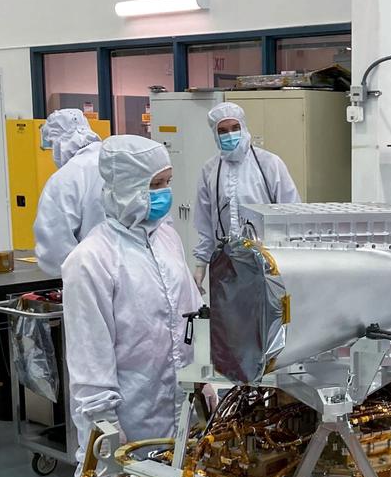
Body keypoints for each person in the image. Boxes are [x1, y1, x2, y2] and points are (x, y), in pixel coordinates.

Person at [64, 135, 201, 449]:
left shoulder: (167, 239)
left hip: (182, 410)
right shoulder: (91, 260)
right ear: (127, 187)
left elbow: (193, 317)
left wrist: (205, 377)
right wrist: (107, 429)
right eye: (156, 185)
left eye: (168, 182)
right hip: (131, 420)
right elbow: (91, 361)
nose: (165, 193)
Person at [192, 102, 299, 289]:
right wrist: (201, 263)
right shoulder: (210, 170)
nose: (229, 134)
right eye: (223, 130)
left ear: (244, 127)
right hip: (226, 264)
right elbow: (205, 222)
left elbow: (292, 212)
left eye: (235, 128)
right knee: (230, 315)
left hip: (268, 262)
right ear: (215, 135)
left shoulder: (269, 164)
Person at [34, 109, 103, 276]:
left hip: (90, 277)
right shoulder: (119, 161)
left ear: (58, 142)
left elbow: (54, 247)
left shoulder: (66, 178)